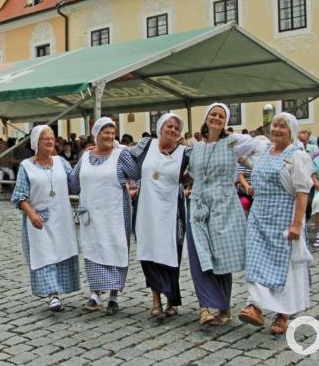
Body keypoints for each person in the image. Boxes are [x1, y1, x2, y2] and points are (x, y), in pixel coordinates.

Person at [186, 103, 264, 326]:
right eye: (214, 114)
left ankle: (223, 308)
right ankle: (204, 307)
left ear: (226, 122)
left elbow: (257, 144)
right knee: (199, 255)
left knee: (220, 258)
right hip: (199, 205)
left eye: (221, 116)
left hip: (223, 205)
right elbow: (193, 174)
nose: (217, 118)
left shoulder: (232, 143)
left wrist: (234, 141)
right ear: (206, 117)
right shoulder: (197, 147)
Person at [238, 113, 313, 335]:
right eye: (275, 126)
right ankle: (255, 306)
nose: (277, 130)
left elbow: (302, 192)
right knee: (255, 260)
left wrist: (297, 224)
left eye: (282, 126)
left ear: (291, 132)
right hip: (259, 216)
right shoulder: (263, 152)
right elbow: (242, 157)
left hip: (283, 217)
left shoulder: (297, 156)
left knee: (284, 267)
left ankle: (283, 314)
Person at [68, 118, 140, 315]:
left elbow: (137, 173)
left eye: (112, 132)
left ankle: (114, 296)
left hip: (115, 213)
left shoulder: (121, 154)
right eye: (105, 132)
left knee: (115, 249)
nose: (109, 136)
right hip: (91, 214)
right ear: (96, 134)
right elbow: (73, 184)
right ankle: (95, 296)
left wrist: (135, 188)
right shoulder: (85, 156)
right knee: (93, 250)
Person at [11, 125, 80, 312]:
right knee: (45, 255)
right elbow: (20, 197)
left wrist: (85, 162)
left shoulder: (61, 162)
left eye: (52, 138)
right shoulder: (26, 167)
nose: (50, 141)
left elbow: (74, 184)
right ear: (36, 143)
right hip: (39, 220)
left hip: (62, 218)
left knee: (61, 251)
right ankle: (53, 296)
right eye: (45, 138)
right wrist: (31, 214)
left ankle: (58, 290)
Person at [128, 113, 189, 318]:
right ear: (161, 127)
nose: (172, 130)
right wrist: (102, 151)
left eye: (176, 128)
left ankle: (172, 301)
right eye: (169, 126)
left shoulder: (185, 153)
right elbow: (125, 156)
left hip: (172, 211)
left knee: (171, 254)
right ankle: (156, 301)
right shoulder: (146, 145)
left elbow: (195, 173)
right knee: (148, 252)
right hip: (146, 208)